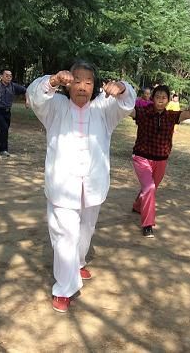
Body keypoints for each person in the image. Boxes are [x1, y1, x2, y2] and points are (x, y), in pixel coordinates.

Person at [26, 61, 136, 313]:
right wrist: (52, 80)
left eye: (88, 82)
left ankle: (77, 263)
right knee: (65, 235)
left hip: (93, 184)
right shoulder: (55, 106)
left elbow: (128, 102)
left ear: (95, 85)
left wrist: (121, 87)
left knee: (85, 230)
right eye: (77, 81)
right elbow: (34, 96)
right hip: (62, 184)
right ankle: (64, 288)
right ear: (69, 83)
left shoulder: (103, 108)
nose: (83, 87)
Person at [131, 85, 190, 237]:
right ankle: (148, 224)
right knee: (149, 187)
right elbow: (127, 111)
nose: (160, 100)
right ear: (152, 98)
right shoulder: (142, 112)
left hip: (161, 160)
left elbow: (189, 113)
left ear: (168, 100)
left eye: (164, 98)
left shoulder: (171, 116)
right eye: (157, 97)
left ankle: (138, 205)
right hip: (142, 157)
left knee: (150, 188)